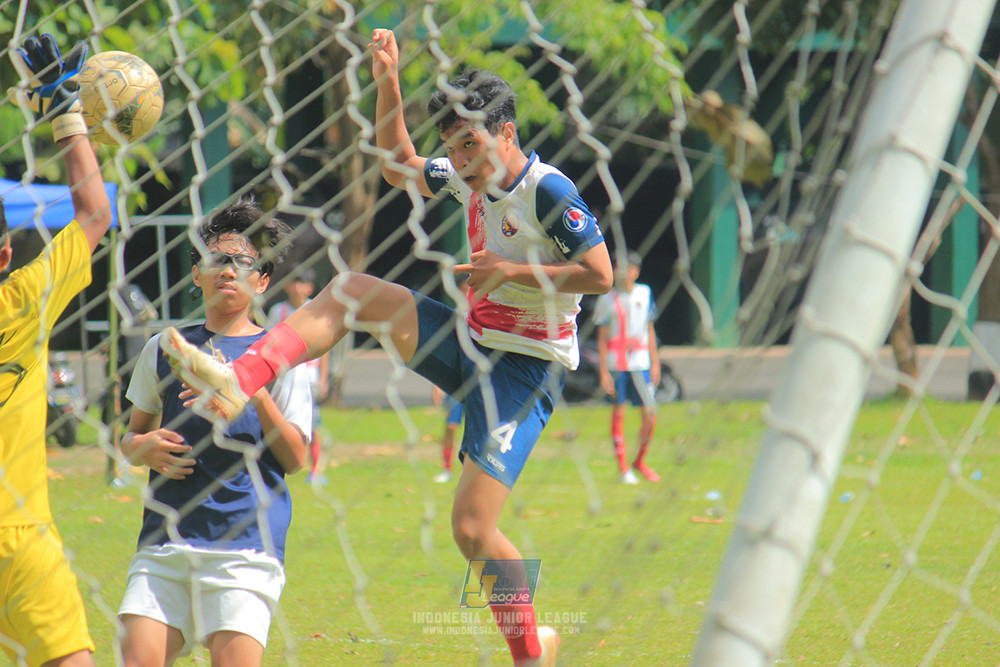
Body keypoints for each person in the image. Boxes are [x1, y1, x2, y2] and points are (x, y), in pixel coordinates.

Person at [158, 28, 612, 667]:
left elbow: (601, 273)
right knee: (352, 291)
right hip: (468, 343)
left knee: (472, 528)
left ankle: (533, 649)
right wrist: (388, 81)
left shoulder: (548, 191)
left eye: (472, 144)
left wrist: (514, 274)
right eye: (453, 147)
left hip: (526, 370)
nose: (462, 159)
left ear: (506, 133)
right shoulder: (464, 177)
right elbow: (396, 162)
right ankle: (242, 374)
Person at [117, 197, 312, 666]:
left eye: (242, 263)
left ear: (261, 280)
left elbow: (295, 460)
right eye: (216, 261)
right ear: (195, 275)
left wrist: (250, 390)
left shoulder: (280, 354)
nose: (228, 271)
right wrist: (143, 448)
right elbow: (130, 437)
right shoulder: (166, 348)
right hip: (165, 539)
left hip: (245, 546)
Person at [0, 34, 112, 667]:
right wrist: (62, 106)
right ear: (7, 253)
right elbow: (94, 212)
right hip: (20, 537)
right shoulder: (25, 296)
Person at [594, 251, 661, 484]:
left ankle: (640, 460)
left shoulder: (645, 293)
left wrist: (655, 362)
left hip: (641, 362)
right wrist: (603, 370)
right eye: (620, 267)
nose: (625, 272)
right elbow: (601, 337)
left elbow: (650, 329)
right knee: (618, 412)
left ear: (637, 271)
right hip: (616, 363)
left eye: (630, 267)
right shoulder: (606, 299)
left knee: (650, 414)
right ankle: (623, 468)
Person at [266, 266, 331, 483]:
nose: (298, 288)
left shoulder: (313, 309)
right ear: (287, 285)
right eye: (295, 282)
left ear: (310, 287)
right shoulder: (278, 311)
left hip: (309, 376)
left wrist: (323, 379)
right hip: (284, 374)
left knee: (314, 423)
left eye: (303, 283)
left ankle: (316, 470)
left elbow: (325, 347)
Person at [431, 385, 464, 483]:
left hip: (477, 386)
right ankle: (447, 469)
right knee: (451, 426)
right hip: (455, 388)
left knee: (476, 427)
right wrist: (436, 386)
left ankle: (469, 470)